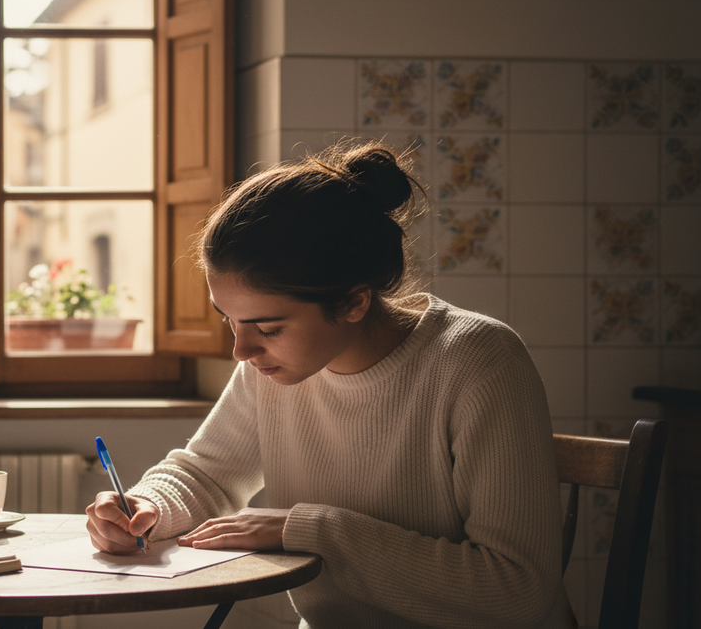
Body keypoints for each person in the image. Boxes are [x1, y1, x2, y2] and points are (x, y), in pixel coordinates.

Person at [85, 140, 574, 628]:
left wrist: (312, 530)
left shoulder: (477, 360)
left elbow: (516, 591)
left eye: (269, 328)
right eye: (229, 321)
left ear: (353, 303)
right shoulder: (275, 367)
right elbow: (209, 475)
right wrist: (146, 504)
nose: (241, 351)